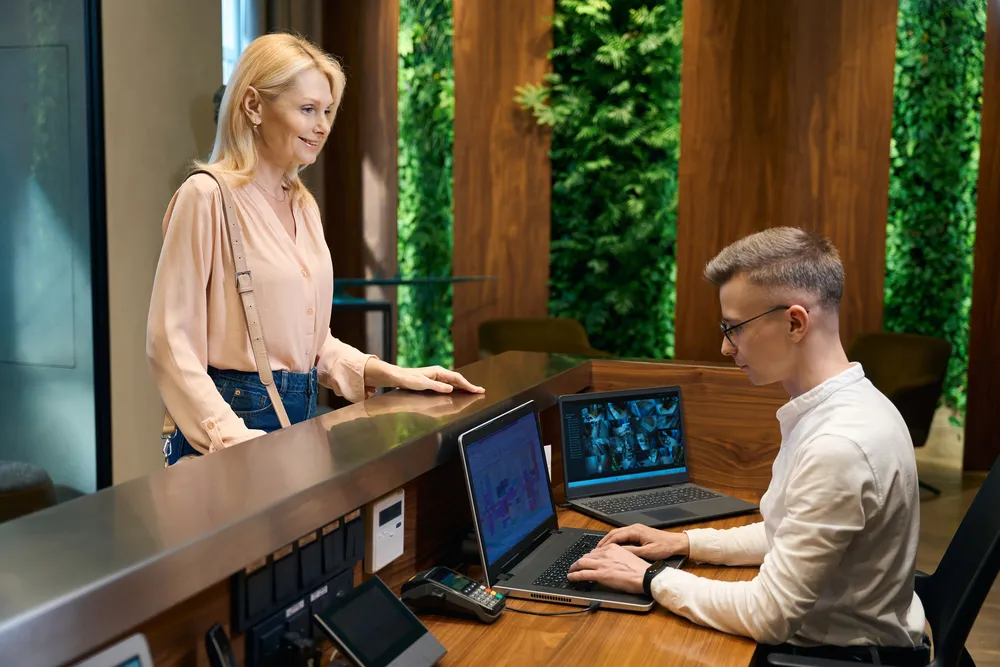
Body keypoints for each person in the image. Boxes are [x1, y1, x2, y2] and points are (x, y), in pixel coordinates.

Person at [568, 227, 929, 665]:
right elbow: (787, 532)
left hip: (836, 658)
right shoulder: (850, 404)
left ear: (795, 322)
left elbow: (767, 615)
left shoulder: (839, 445)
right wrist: (683, 543)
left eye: (734, 328)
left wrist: (649, 578)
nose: (724, 346)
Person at [147, 34, 483, 466]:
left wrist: (387, 372)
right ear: (252, 106)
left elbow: (310, 343)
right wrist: (233, 440)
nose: (322, 125)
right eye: (307, 109)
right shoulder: (206, 196)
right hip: (228, 428)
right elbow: (170, 343)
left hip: (297, 418)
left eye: (327, 111)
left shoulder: (303, 204)